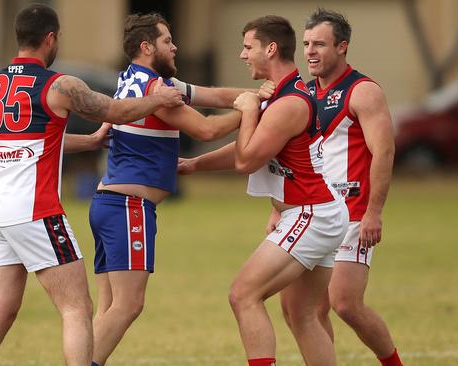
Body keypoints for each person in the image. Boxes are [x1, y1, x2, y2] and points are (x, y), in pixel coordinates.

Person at [0, 5, 184, 366]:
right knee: (77, 308)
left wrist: (91, 141)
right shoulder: (60, 84)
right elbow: (116, 110)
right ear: (50, 38)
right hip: (35, 212)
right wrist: (158, 99)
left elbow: (26, 143)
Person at [89, 13, 274, 366]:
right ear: (147, 47)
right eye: (167, 41)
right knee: (128, 306)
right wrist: (251, 109)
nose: (175, 47)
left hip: (107, 204)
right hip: (128, 208)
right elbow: (205, 130)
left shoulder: (133, 79)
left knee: (109, 309)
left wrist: (261, 93)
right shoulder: (156, 92)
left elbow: (215, 95)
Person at [177, 15, 349, 366]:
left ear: (270, 49)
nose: (242, 55)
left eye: (248, 47)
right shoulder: (279, 95)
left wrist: (250, 108)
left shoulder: (288, 103)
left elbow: (246, 161)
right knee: (300, 313)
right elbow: (251, 148)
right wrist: (194, 165)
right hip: (316, 211)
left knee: (244, 295)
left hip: (311, 213)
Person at [279, 9, 402, 366]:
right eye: (306, 44)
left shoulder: (363, 91)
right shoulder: (303, 94)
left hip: (353, 213)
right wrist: (278, 209)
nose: (310, 51)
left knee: (345, 302)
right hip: (311, 211)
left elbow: (385, 151)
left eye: (319, 43)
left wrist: (374, 212)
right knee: (307, 309)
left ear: (342, 46)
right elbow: (291, 154)